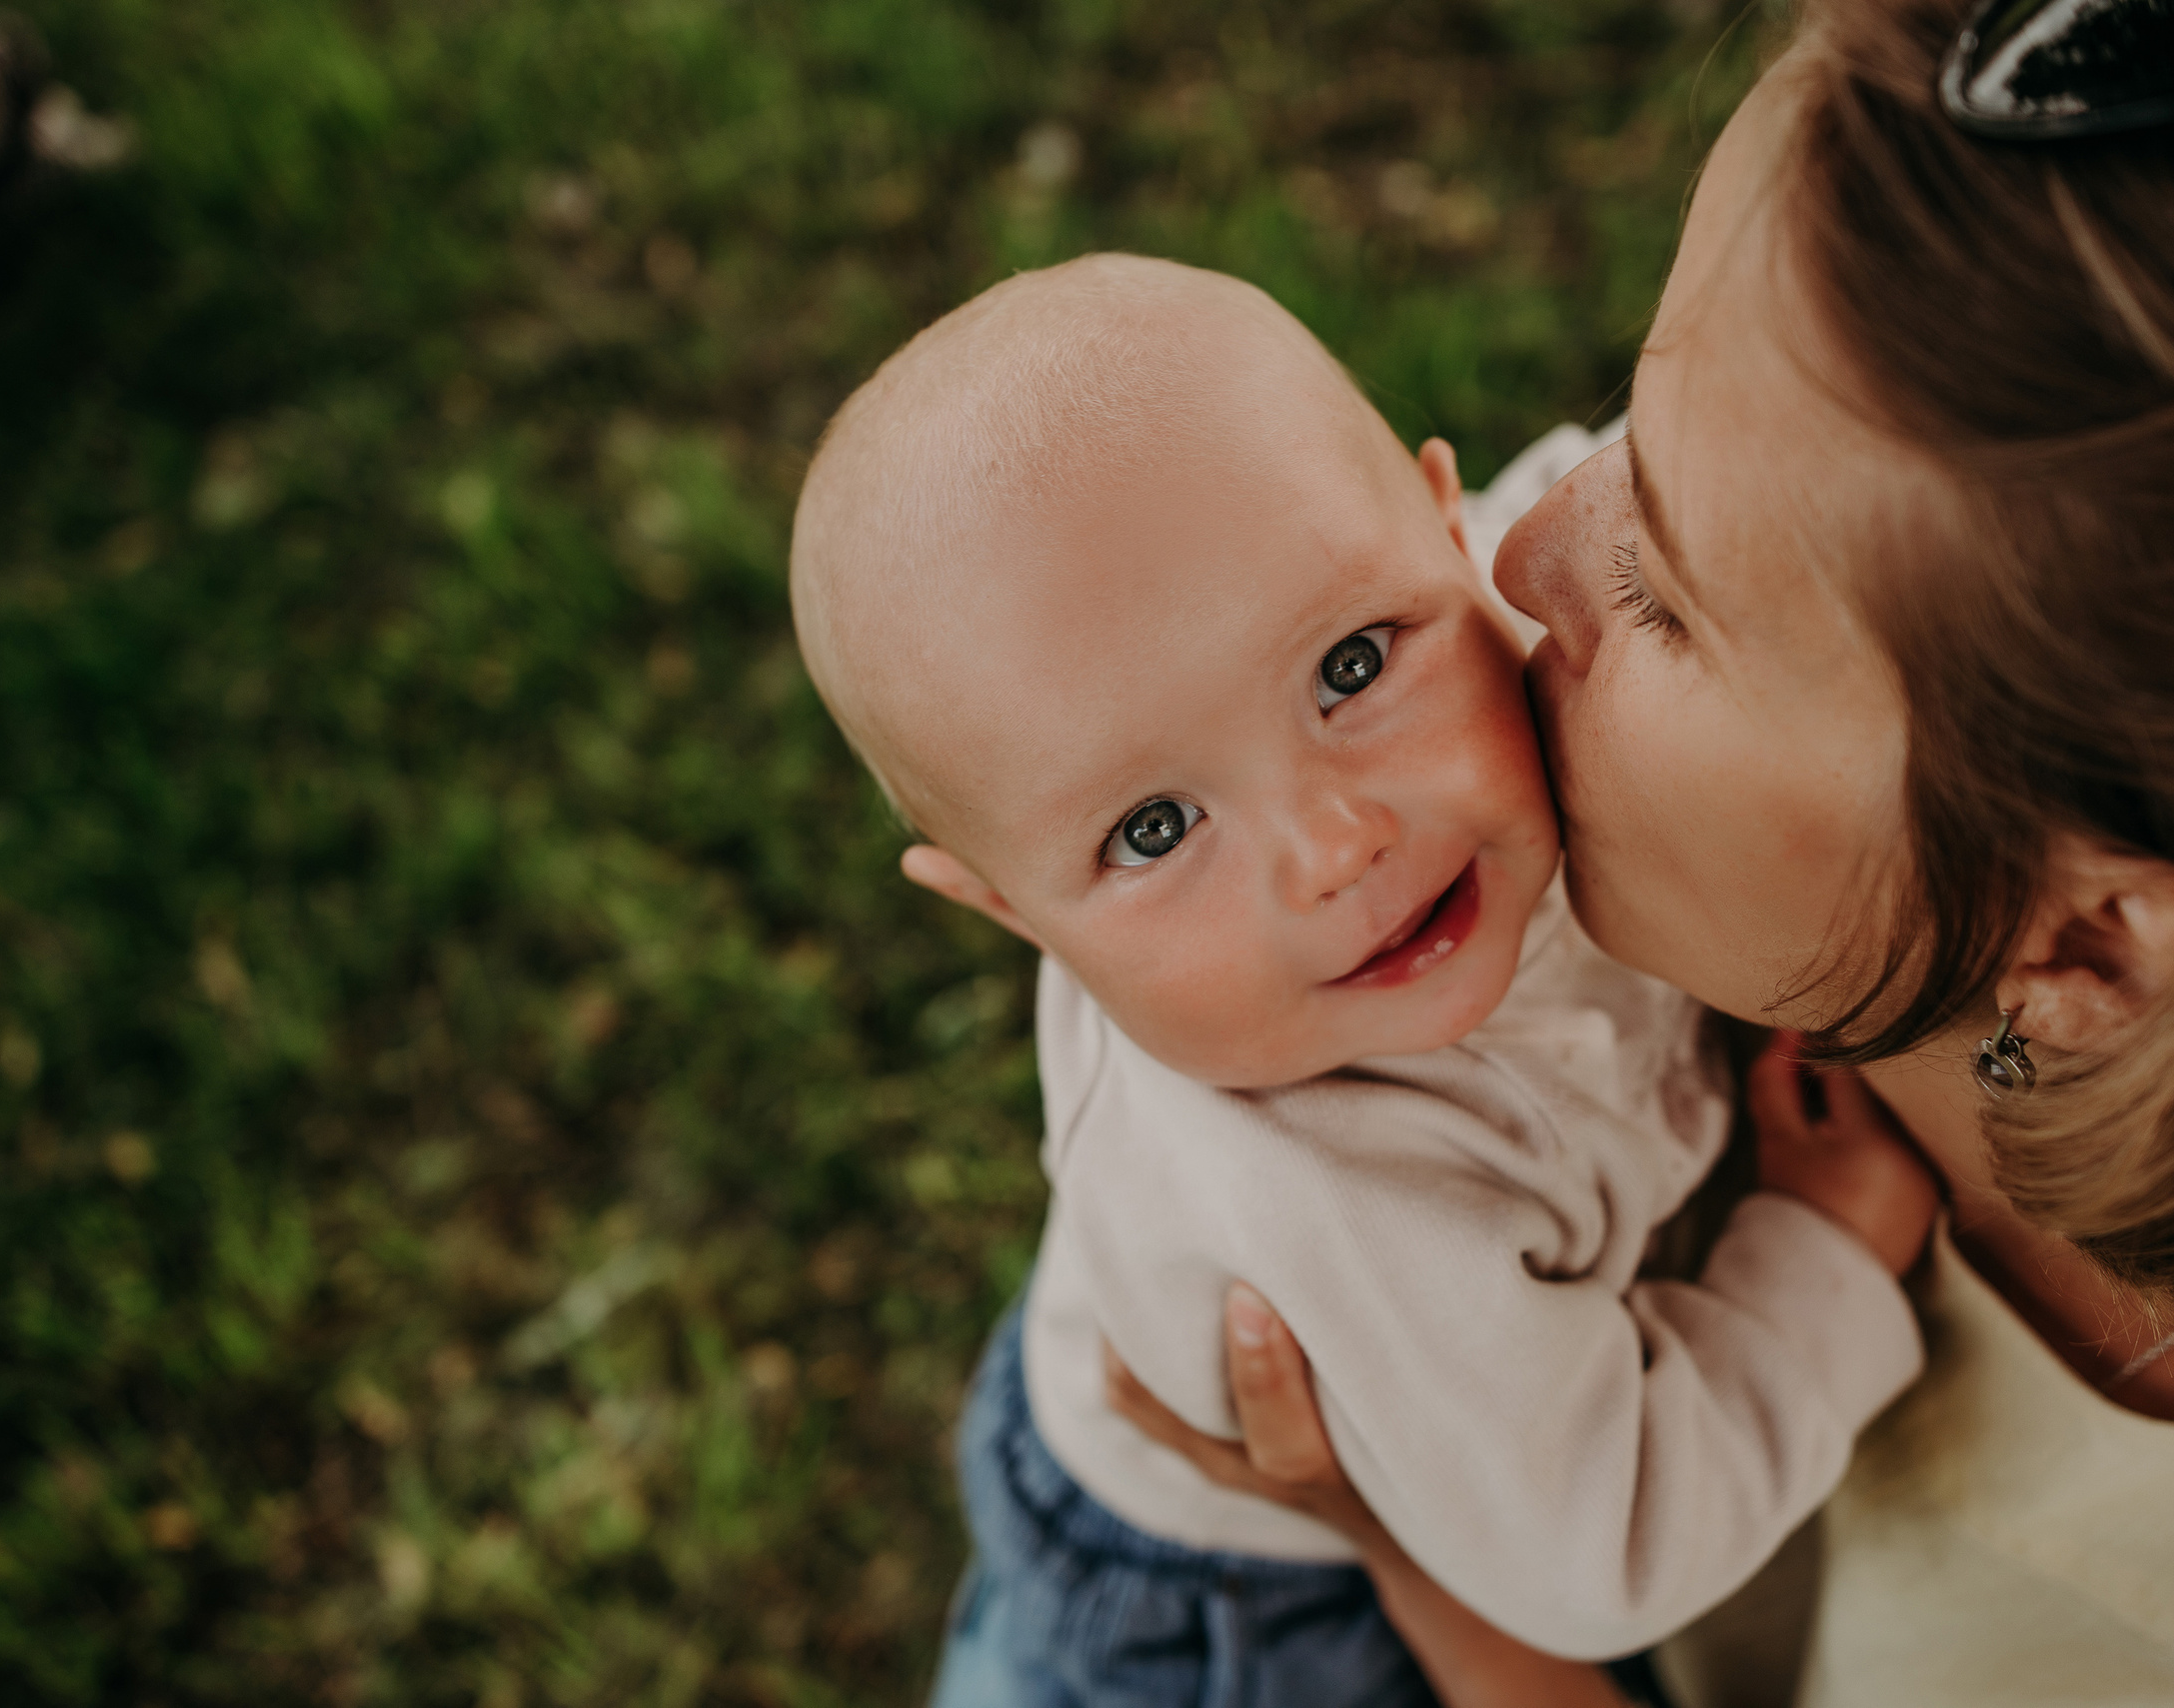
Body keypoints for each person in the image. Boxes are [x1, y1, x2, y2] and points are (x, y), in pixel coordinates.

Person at [1110, 0, 2174, 1702]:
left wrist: (1417, 1547)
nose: (1532, 541)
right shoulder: (1882, 812)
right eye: (1633, 416)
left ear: (2087, 952)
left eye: (1666, 596)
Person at [788, 253, 1940, 1708]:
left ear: (1455, 526)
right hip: (1248, 1617)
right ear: (1013, 914)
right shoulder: (1340, 1187)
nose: (1335, 847)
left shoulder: (1540, 599)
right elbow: (1607, 1544)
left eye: (1348, 665)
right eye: (1154, 829)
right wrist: (1821, 1250)